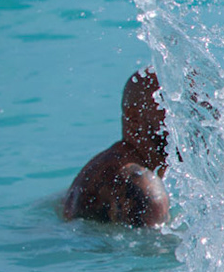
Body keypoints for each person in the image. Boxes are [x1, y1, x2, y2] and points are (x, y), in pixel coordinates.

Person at [62, 69, 170, 227]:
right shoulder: (143, 186)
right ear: (134, 117)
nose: (187, 118)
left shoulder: (110, 164)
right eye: (169, 106)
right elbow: (153, 250)